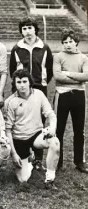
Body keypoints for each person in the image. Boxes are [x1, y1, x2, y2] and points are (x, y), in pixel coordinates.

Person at [9, 16, 54, 171]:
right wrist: (21, 85)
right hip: (20, 89)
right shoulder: (16, 48)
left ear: (35, 29)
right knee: (20, 120)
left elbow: (49, 71)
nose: (27, 31)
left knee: (39, 122)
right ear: (21, 31)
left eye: (30, 28)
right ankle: (22, 151)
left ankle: (38, 159)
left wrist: (37, 84)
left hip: (39, 88)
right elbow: (12, 70)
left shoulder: (45, 48)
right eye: (24, 28)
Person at [4, 69, 60, 189]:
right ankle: (29, 160)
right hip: (19, 138)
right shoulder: (10, 102)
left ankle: (49, 180)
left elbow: (51, 114)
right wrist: (13, 154)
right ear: (14, 83)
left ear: (30, 82)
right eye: (19, 82)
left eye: (25, 81)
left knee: (54, 142)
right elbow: (8, 130)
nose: (22, 85)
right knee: (23, 179)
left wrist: (52, 128)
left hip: (36, 135)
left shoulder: (39, 94)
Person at [53, 28, 88, 173]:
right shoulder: (58, 56)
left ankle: (79, 161)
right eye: (65, 42)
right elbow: (57, 77)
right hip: (62, 94)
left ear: (76, 42)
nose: (68, 44)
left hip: (79, 95)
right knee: (58, 129)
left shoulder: (83, 58)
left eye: (70, 41)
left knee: (79, 129)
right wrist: (76, 77)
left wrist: (67, 73)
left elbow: (86, 76)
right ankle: (57, 161)